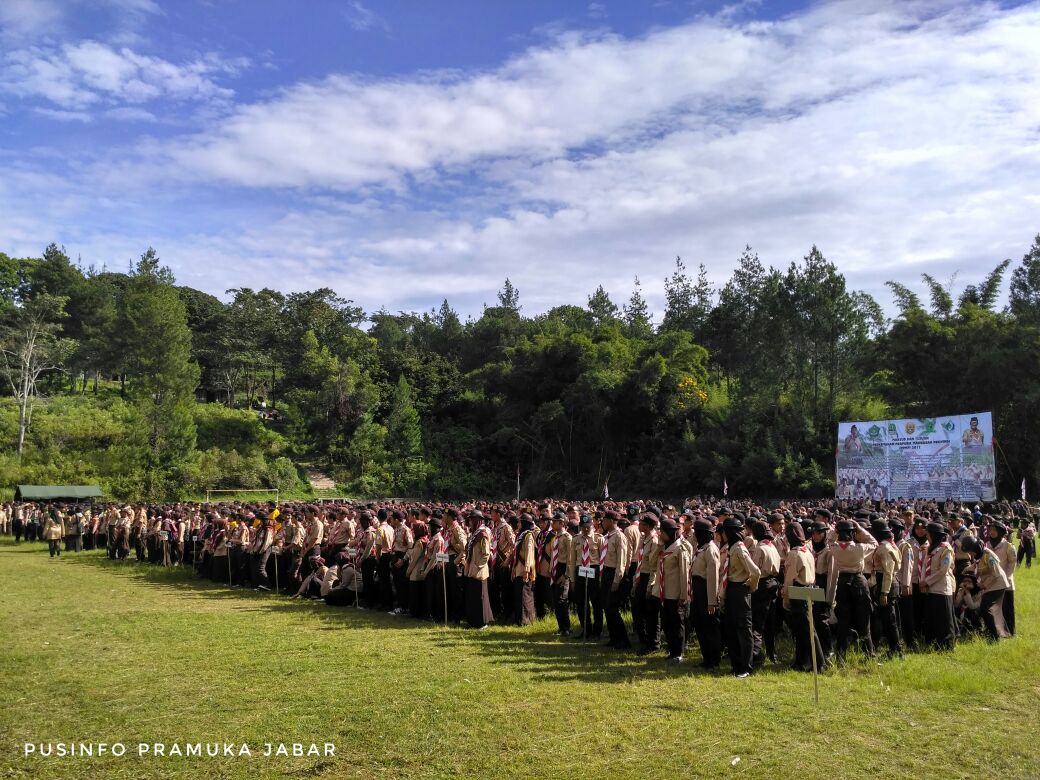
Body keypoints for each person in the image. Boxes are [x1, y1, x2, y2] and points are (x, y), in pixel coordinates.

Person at [826, 519, 877, 661]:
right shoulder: (859, 548)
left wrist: (834, 531)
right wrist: (860, 529)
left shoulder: (834, 548)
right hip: (859, 581)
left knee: (843, 619)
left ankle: (841, 656)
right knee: (864, 620)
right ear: (852, 533)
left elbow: (829, 540)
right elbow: (874, 543)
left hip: (843, 582)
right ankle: (869, 654)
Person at [782, 521, 826, 672]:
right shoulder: (807, 551)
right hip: (809, 589)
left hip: (798, 591)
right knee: (801, 630)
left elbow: (789, 579)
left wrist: (785, 597)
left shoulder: (794, 554)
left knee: (807, 630)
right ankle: (800, 661)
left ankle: (820, 663)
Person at [720, 513, 760, 678]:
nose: (721, 534)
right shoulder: (730, 547)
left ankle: (746, 667)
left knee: (744, 630)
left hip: (740, 590)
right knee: (731, 628)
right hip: (730, 589)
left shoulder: (739, 548)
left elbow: (755, 571)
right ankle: (736, 665)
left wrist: (750, 587)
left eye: (724, 531)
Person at [653, 518, 690, 663]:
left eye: (661, 532)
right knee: (667, 623)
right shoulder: (663, 548)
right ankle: (671, 650)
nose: (660, 534)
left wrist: (684, 595)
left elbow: (684, 574)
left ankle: (678, 653)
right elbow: (651, 562)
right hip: (663, 592)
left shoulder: (680, 549)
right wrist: (658, 547)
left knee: (677, 623)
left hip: (675, 593)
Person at [689, 516, 721, 668]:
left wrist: (711, 602)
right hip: (698, 589)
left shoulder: (711, 550)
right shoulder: (701, 548)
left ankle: (713, 659)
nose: (694, 535)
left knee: (709, 627)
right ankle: (706, 657)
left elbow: (713, 578)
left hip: (706, 590)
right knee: (700, 624)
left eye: (696, 532)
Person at [748, 520, 780, 666]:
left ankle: (755, 656)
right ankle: (771, 653)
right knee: (770, 622)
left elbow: (755, 570)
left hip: (762, 584)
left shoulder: (759, 548)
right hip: (773, 583)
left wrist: (750, 587)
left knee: (757, 623)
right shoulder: (772, 546)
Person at [963, 537, 1009, 640]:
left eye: (971, 551)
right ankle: (999, 633)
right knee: (992, 609)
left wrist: (984, 585)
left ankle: (994, 636)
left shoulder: (988, 555)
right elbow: (979, 564)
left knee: (986, 608)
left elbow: (996, 574)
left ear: (976, 548)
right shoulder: (980, 555)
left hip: (998, 584)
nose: (970, 554)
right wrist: (969, 568)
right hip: (991, 585)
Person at [920, 521, 956, 650]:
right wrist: (922, 580)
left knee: (944, 619)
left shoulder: (946, 549)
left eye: (929, 534)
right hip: (931, 589)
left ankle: (947, 644)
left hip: (942, 588)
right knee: (932, 617)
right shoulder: (931, 548)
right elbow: (925, 565)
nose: (927, 537)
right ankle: (933, 642)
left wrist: (927, 581)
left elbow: (943, 570)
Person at [600, 511, 632, 650]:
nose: (602, 522)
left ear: (612, 521)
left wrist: (617, 580)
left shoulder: (619, 536)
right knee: (607, 608)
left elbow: (622, 561)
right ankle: (614, 638)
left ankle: (623, 640)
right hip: (606, 572)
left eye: (605, 520)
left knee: (612, 608)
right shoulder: (607, 536)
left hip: (614, 574)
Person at [569, 515, 602, 638]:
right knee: (581, 602)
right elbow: (572, 561)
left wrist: (600, 578)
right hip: (580, 570)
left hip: (594, 569)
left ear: (592, 526)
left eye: (587, 527)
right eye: (583, 527)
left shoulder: (598, 539)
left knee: (596, 602)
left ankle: (597, 630)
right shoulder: (575, 539)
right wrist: (572, 579)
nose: (585, 530)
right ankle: (586, 629)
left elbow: (602, 559)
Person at [633, 514, 662, 656]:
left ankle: (653, 643)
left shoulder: (654, 541)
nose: (640, 525)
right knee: (638, 610)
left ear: (650, 526)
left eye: (643, 524)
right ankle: (644, 641)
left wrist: (650, 586)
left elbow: (654, 567)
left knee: (650, 613)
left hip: (649, 578)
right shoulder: (644, 539)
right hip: (641, 577)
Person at [463, 511, 494, 629]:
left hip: (479, 570)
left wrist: (477, 567)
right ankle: (472, 621)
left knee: (480, 597)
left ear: (477, 520)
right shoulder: (475, 533)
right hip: (471, 568)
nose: (470, 522)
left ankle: (482, 622)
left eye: (472, 520)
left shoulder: (482, 534)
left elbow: (486, 554)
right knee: (472, 596)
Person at [987, 521, 1016, 636]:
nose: (992, 532)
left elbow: (1012, 564)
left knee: (1007, 609)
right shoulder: (987, 545)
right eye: (991, 530)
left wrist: (1005, 577)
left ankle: (1009, 632)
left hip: (1006, 583)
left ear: (1000, 532)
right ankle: (997, 631)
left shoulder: (1008, 546)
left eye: (995, 530)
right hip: (992, 582)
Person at [548, 513, 572, 636]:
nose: (552, 523)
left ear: (562, 523)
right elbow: (553, 555)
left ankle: (566, 628)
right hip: (555, 569)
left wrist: (566, 575)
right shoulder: (555, 537)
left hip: (563, 570)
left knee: (562, 600)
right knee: (556, 600)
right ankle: (561, 628)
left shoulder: (567, 537)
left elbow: (570, 558)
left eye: (555, 521)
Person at [511, 514, 537, 626]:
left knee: (525, 596)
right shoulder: (520, 535)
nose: (518, 524)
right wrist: (513, 568)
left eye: (521, 522)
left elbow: (529, 555)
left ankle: (526, 620)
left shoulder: (528, 536)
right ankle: (519, 619)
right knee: (518, 595)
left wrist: (527, 571)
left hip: (525, 570)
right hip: (518, 568)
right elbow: (516, 553)